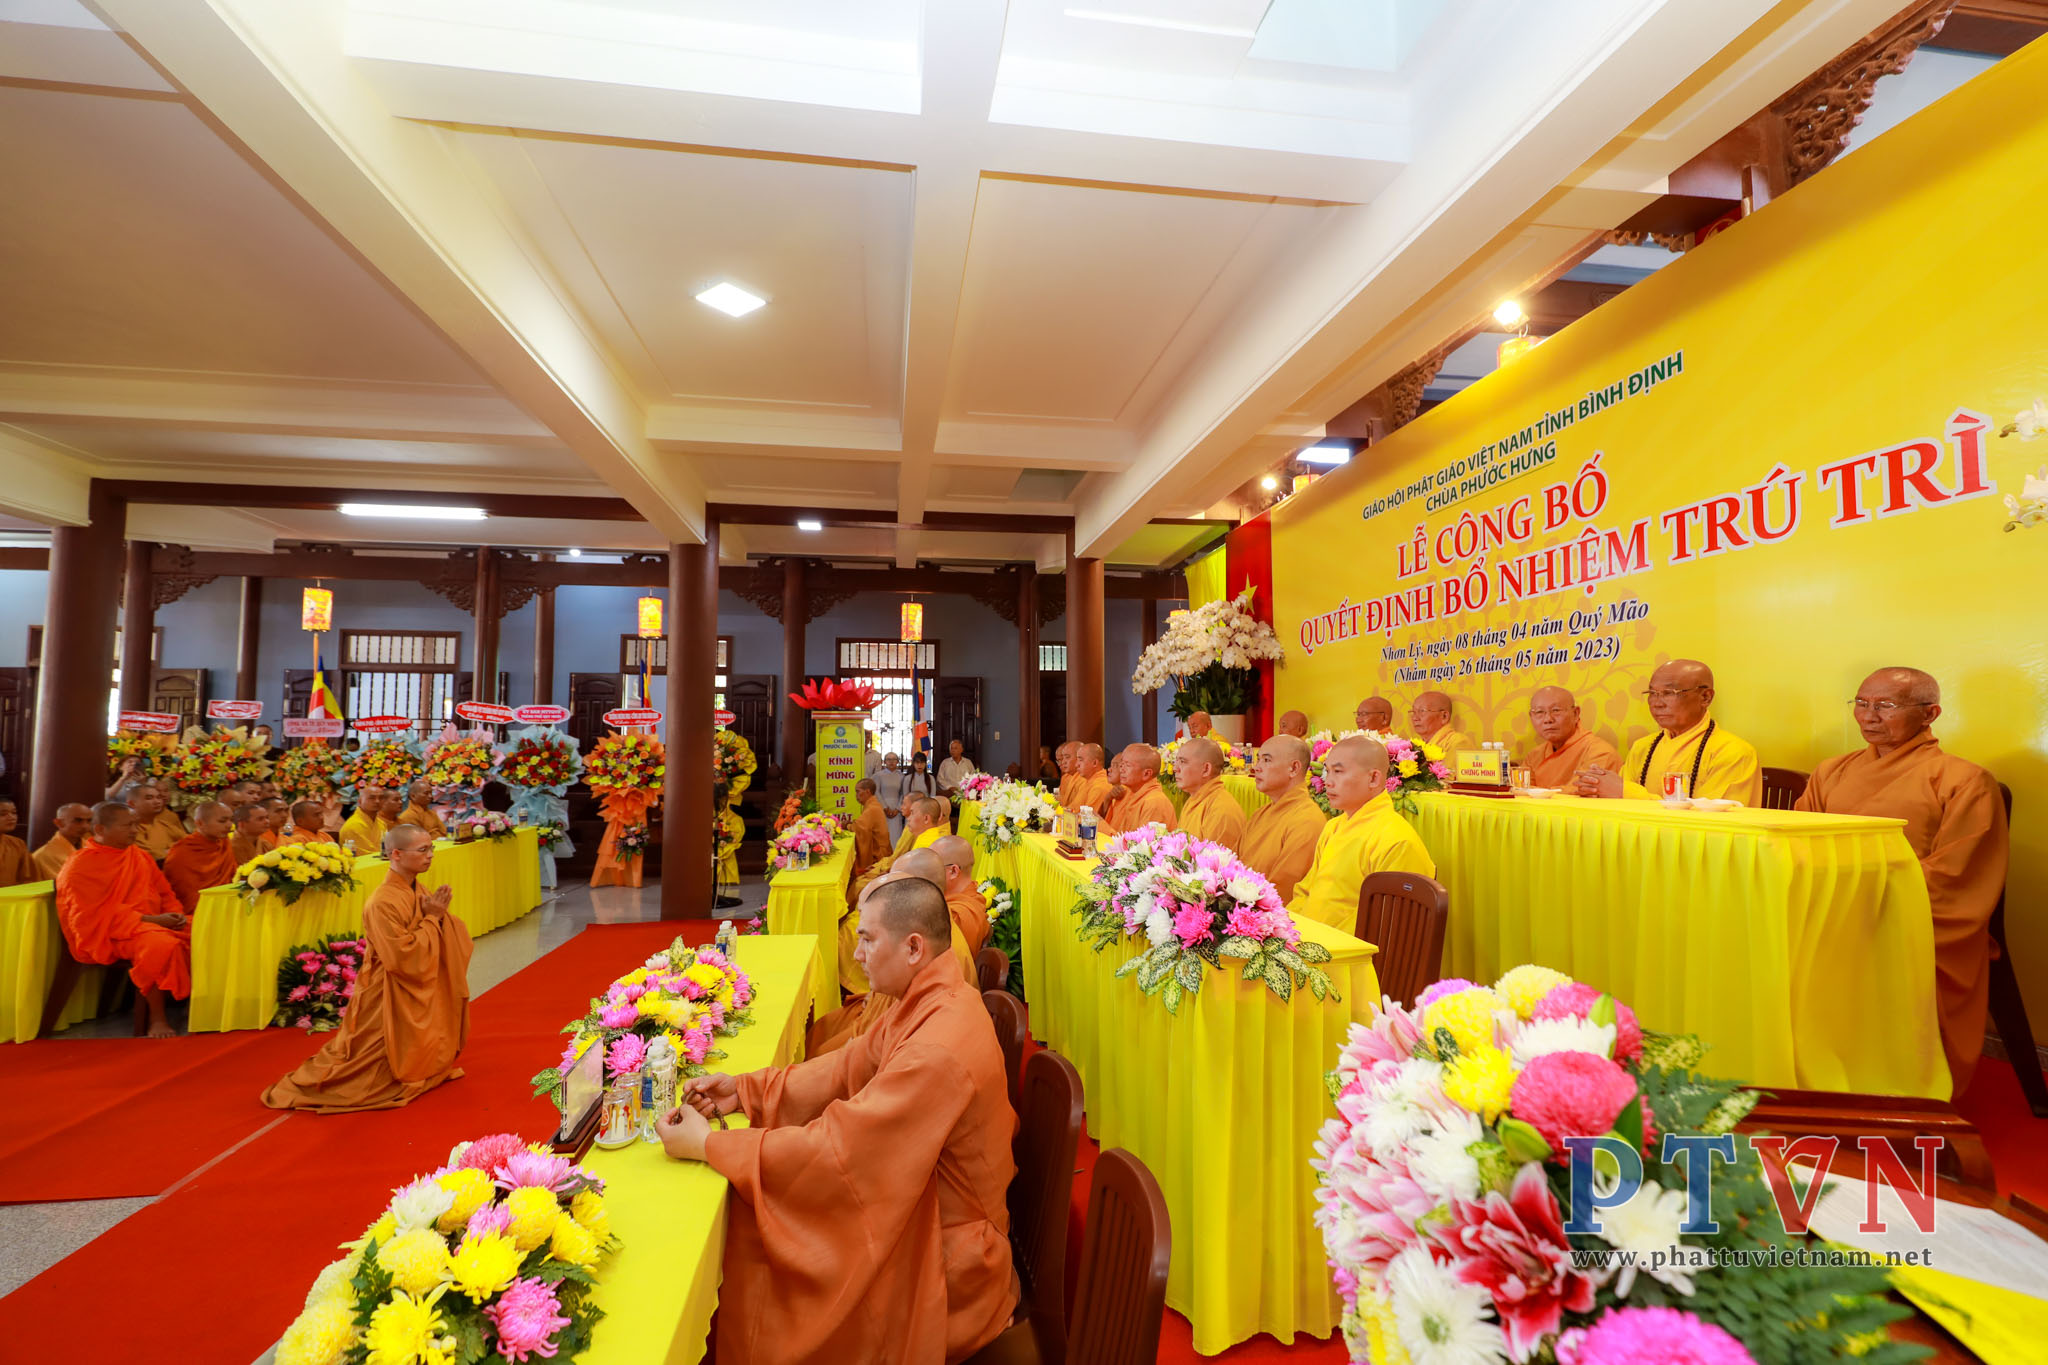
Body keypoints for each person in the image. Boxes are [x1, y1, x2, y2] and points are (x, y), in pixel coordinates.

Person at [657, 877, 1016, 1365]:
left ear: (914, 948)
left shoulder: (937, 1046)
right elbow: (847, 1067)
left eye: (867, 939)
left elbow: (841, 1150)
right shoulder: (929, 997)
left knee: (764, 1249)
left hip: (951, 1261)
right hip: (925, 1212)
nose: (857, 953)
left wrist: (710, 1146)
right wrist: (743, 1091)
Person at [1794, 667, 2009, 1090]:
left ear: (1930, 714)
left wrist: (1863, 897)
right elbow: (1798, 842)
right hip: (1829, 903)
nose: (1868, 715)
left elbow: (1957, 874)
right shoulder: (1831, 771)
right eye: (1861, 703)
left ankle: (1889, 1084)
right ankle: (1802, 1071)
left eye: (1886, 705)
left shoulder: (1965, 780)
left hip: (1908, 913)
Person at [263, 824, 473, 1112]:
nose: (430, 855)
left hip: (409, 981)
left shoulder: (415, 888)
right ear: (396, 854)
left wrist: (437, 918)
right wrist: (432, 919)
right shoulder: (382, 902)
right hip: (387, 988)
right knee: (371, 1052)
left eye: (431, 848)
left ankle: (422, 1065)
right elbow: (401, 957)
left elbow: (440, 931)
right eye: (423, 850)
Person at [56, 802, 190, 1037]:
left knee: (205, 930)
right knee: (158, 944)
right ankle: (157, 1019)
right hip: (112, 932)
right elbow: (89, 915)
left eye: (136, 825)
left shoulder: (139, 855)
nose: (135, 831)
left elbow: (164, 892)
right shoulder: (80, 865)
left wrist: (175, 914)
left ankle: (199, 1005)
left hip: (150, 923)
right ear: (100, 829)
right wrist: (152, 921)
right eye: (127, 826)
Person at [809, 847, 961, 1054]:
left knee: (820, 1052)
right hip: (871, 1027)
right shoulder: (932, 929)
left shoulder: (938, 951)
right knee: (819, 1031)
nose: (858, 955)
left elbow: (883, 1045)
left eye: (867, 940)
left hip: (878, 1041)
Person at [1287, 736, 1435, 931]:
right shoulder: (1333, 827)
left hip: (1346, 947)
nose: (1328, 782)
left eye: (1338, 772)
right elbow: (1305, 891)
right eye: (1327, 771)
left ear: (1373, 778)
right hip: (1307, 938)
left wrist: (1319, 940)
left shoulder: (1397, 840)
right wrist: (1286, 929)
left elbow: (1385, 922)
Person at [1576, 659, 1761, 804]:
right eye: (1652, 694)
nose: (1657, 703)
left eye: (1670, 692)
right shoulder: (1643, 748)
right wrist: (1597, 789)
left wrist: (1624, 792)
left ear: (1705, 697)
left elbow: (1712, 821)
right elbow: (1619, 803)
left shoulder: (1733, 753)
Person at [1241, 736, 1328, 901]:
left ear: (1294, 768)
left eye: (1266, 760)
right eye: (1258, 759)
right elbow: (1234, 867)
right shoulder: (1260, 814)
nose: (1256, 767)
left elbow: (1284, 891)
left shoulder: (1307, 820)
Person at [1521, 686, 1620, 789]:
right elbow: (1521, 791)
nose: (1548, 719)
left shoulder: (1600, 752)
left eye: (1556, 710)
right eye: (1539, 712)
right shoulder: (1533, 757)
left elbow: (1583, 791)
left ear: (1575, 714)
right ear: (1531, 716)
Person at [163, 802, 240, 913]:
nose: (229, 825)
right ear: (200, 823)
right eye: (222, 821)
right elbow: (184, 894)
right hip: (199, 908)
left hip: (229, 899)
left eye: (231, 820)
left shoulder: (224, 842)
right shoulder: (182, 852)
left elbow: (232, 877)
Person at [1174, 737, 1246, 852]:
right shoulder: (1194, 800)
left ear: (1206, 769)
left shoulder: (1221, 810)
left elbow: (1216, 861)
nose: (1175, 768)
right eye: (1176, 761)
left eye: (1183, 762)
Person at [1108, 743, 1176, 834]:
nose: (1121, 770)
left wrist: (1100, 825)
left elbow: (1142, 842)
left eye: (1127, 765)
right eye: (1122, 764)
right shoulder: (1130, 794)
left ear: (1146, 774)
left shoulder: (1154, 802)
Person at [127, 781, 186, 861]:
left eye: (158, 797)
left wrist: (169, 848)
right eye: (149, 798)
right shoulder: (129, 828)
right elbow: (152, 855)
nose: (157, 802)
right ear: (132, 804)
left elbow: (190, 841)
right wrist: (174, 846)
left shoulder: (163, 824)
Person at [33, 803, 90, 882]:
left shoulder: (91, 848)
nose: (85, 826)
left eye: (89, 821)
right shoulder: (43, 855)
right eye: (78, 821)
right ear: (59, 823)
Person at [1409, 691, 1476, 754]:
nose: (1415, 718)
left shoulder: (1459, 742)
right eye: (1413, 712)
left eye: (1422, 711)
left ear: (1444, 716)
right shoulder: (1417, 746)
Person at [339, 787, 387, 857]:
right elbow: (365, 855)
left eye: (381, 798)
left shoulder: (381, 823)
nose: (377, 801)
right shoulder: (353, 825)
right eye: (372, 798)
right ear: (360, 801)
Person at [1069, 743, 1113, 815]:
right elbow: (1073, 809)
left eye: (1081, 760)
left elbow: (1088, 818)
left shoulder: (1100, 787)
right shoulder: (1087, 781)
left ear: (1094, 763)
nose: (1076, 765)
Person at [230, 803, 271, 869]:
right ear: (242, 824)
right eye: (260, 819)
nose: (267, 821)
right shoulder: (231, 847)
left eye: (267, 818)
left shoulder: (265, 843)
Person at [0, 798, 30, 887]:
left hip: (12, 895)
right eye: (3, 814)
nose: (11, 817)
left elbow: (27, 879)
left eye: (14, 813)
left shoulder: (18, 844)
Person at [1054, 742, 1079, 808]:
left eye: (1067, 757)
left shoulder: (1084, 780)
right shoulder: (1066, 777)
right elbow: (1059, 799)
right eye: (1058, 760)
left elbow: (1076, 808)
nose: (1062, 763)